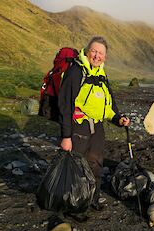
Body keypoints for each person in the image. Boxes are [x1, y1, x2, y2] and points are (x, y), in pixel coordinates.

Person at [58, 36, 130, 217]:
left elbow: (108, 106)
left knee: (96, 165)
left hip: (97, 128)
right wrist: (66, 136)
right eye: (94, 51)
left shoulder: (102, 75)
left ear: (105, 57)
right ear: (87, 51)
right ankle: (75, 206)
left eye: (101, 53)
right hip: (79, 127)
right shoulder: (76, 71)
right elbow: (65, 104)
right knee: (77, 168)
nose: (97, 56)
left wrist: (118, 119)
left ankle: (92, 200)